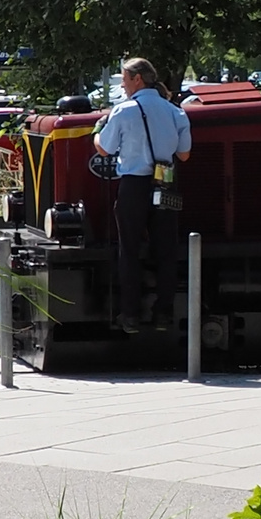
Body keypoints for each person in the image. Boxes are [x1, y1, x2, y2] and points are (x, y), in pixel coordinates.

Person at [94, 57, 192, 332]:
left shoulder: (123, 111)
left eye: (124, 79)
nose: (123, 85)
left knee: (130, 250)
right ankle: (163, 314)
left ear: (137, 79)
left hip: (134, 186)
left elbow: (104, 149)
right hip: (165, 183)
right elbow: (183, 154)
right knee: (166, 251)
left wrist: (97, 132)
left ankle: (131, 315)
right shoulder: (175, 111)